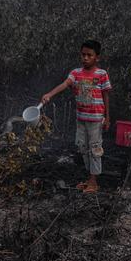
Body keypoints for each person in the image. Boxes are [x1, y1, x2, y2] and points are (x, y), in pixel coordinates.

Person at [42, 40, 112, 193]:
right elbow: (65, 84)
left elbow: (106, 95)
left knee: (94, 148)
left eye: (89, 55)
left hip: (95, 119)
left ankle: (94, 181)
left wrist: (107, 117)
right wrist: (49, 94)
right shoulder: (76, 73)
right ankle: (90, 178)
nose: (85, 58)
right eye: (83, 55)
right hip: (81, 118)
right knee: (82, 146)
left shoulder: (102, 74)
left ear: (97, 57)